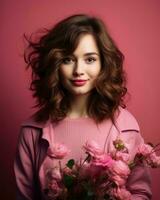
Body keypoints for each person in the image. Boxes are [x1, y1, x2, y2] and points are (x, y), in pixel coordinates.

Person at [14, 14, 152, 199]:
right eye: (68, 59)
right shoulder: (32, 132)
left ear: (104, 64)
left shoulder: (125, 126)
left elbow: (141, 193)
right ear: (55, 63)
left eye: (90, 59)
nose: (78, 70)